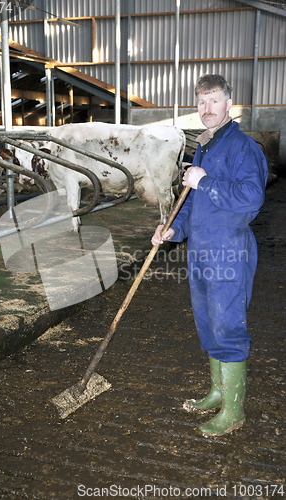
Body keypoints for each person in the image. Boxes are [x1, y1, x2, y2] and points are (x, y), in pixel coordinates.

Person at [151, 74, 269, 437]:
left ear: (228, 105)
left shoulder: (242, 148)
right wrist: (173, 230)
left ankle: (233, 411)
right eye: (201, 102)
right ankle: (218, 390)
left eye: (214, 101)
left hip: (228, 251)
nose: (206, 109)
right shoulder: (205, 146)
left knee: (228, 326)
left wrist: (204, 181)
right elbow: (191, 203)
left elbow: (251, 198)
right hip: (200, 250)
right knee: (208, 322)